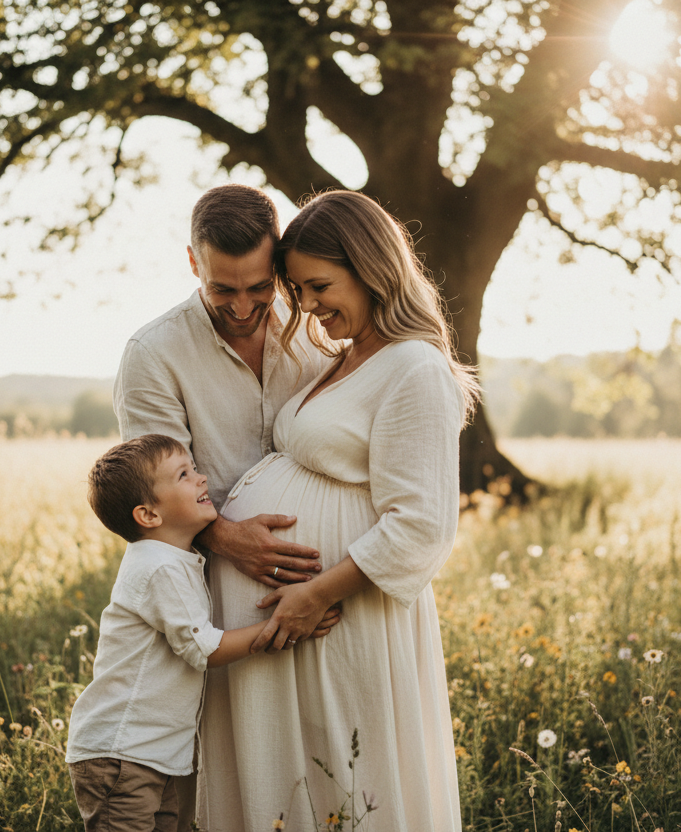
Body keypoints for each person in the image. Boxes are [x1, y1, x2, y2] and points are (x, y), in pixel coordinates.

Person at [197, 190, 480, 832]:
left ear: (373, 268)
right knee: (299, 780)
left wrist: (316, 594)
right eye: (297, 290)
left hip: (341, 619)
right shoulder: (347, 356)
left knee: (350, 779)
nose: (308, 306)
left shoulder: (414, 367)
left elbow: (422, 525)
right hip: (301, 621)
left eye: (320, 285)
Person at [111, 183, 333, 827]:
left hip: (316, 578)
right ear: (192, 263)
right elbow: (153, 491)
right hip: (206, 591)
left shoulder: (318, 327)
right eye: (222, 289)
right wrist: (232, 540)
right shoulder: (153, 354)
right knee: (224, 756)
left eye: (260, 287)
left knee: (315, 749)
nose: (242, 307)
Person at [65, 434, 341, 831]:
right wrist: (283, 625)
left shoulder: (174, 559)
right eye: (183, 474)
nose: (202, 478)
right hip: (122, 756)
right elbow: (205, 650)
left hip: (149, 754)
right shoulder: (159, 568)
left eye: (194, 469)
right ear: (148, 515)